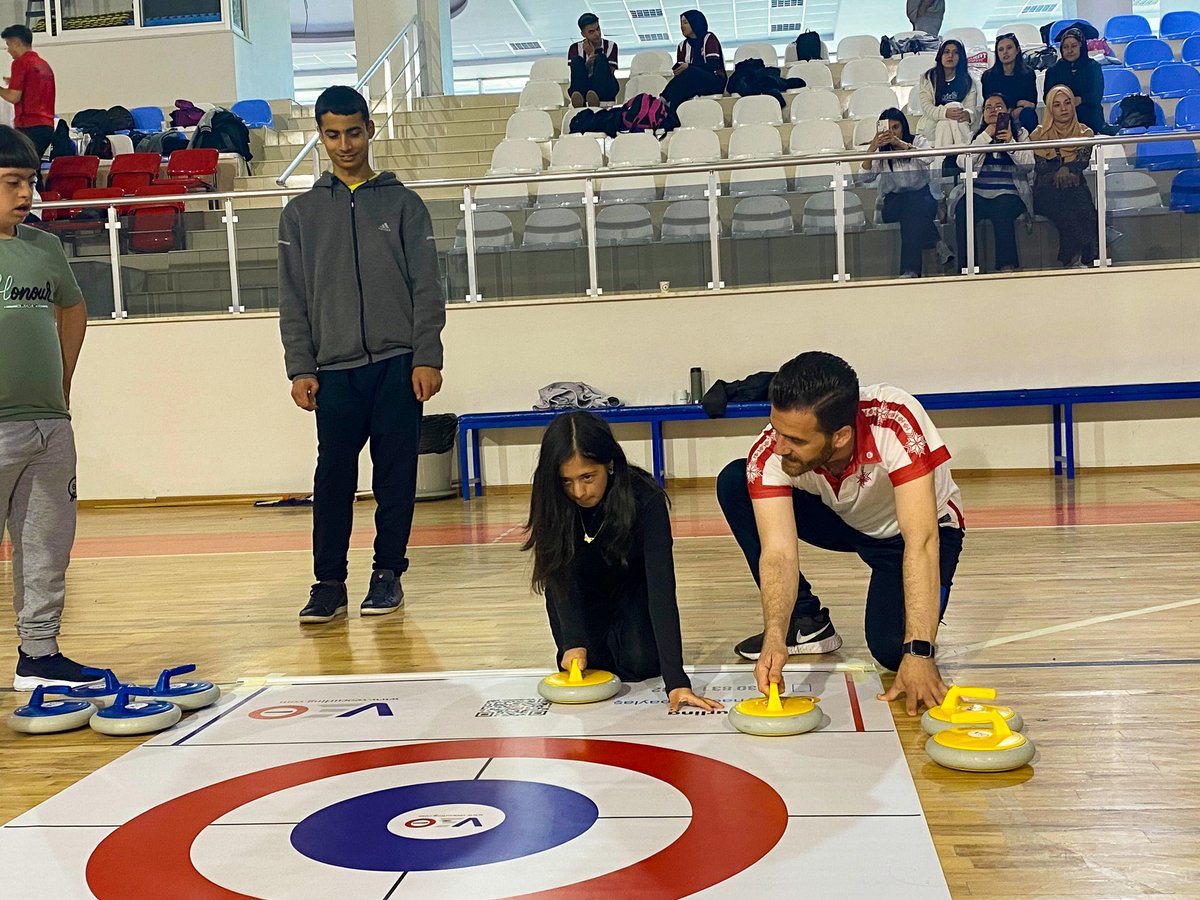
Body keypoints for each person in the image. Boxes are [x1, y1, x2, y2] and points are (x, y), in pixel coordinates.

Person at [277, 86, 446, 624]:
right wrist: (300, 366)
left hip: (398, 364)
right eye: (332, 134)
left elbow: (427, 287)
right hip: (334, 372)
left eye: (353, 132)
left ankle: (387, 573)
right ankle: (328, 582)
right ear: (320, 136)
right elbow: (292, 298)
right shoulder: (300, 214)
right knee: (333, 479)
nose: (344, 144)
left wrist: (428, 354)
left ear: (369, 130)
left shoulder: (404, 204)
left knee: (395, 474)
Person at [716, 352, 966, 714]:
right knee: (735, 481)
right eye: (776, 430)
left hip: (918, 533)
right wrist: (774, 636)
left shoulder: (894, 419)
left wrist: (919, 650)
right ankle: (806, 623)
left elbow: (921, 541)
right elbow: (779, 553)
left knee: (896, 652)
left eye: (796, 441)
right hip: (848, 521)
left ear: (841, 436)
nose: (778, 447)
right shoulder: (773, 450)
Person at [523, 412, 722, 713]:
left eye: (588, 477)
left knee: (641, 664)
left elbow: (661, 589)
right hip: (577, 589)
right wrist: (572, 640)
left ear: (611, 465)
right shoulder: (550, 493)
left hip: (633, 587)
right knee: (591, 664)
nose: (578, 492)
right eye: (567, 481)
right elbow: (557, 573)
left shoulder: (646, 498)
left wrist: (677, 681)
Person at [0, 125, 97, 690]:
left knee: (46, 545)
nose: (26, 194)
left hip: (48, 429)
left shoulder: (45, 247)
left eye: (29, 183)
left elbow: (75, 309)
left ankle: (39, 655)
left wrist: (62, 383)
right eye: (12, 183)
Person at [950, 94, 1034, 273]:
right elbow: (962, 163)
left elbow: (1028, 165)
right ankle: (967, 268)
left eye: (998, 106)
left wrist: (1009, 142)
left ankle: (1007, 267)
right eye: (988, 107)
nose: (993, 110)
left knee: (1001, 207)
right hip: (978, 193)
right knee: (963, 208)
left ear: (1008, 111)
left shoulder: (1020, 134)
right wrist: (985, 136)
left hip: (1010, 194)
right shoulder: (975, 136)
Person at [860, 107, 939, 278]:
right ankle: (935, 241)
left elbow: (929, 158)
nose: (892, 133)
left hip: (922, 198)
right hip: (893, 203)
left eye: (896, 127)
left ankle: (910, 271)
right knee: (910, 204)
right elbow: (865, 177)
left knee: (912, 208)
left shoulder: (917, 140)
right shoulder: (881, 151)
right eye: (888, 129)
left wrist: (901, 145)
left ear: (903, 126)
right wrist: (872, 147)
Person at [1031, 85, 1099, 268]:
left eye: (1067, 103)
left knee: (1073, 200)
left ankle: (1070, 257)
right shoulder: (1037, 135)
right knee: (1073, 201)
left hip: (1074, 187)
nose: (1063, 109)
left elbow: (1081, 161)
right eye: (1057, 105)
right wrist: (1064, 171)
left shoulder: (1085, 133)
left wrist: (1067, 170)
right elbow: (1041, 166)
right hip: (1046, 190)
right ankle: (1087, 253)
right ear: (1049, 109)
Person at [917, 40, 979, 176]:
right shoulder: (928, 78)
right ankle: (963, 161)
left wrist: (967, 114)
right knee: (948, 115)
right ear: (940, 56)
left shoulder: (968, 81)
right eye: (946, 52)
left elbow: (972, 110)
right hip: (934, 126)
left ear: (961, 57)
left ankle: (939, 170)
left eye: (955, 52)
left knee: (953, 111)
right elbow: (926, 108)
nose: (950, 56)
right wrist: (946, 112)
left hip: (959, 123)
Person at [0, 25, 55, 171]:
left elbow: (14, 97)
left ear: (16, 43)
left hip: (28, 125)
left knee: (24, 170)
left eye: (9, 45)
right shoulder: (43, 65)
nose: (8, 50)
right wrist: (12, 80)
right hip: (46, 125)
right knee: (33, 168)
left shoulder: (20, 62)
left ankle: (32, 194)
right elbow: (33, 86)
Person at [1043, 28, 1113, 136]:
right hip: (1062, 118)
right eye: (1066, 47)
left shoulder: (1093, 67)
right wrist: (1066, 103)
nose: (1069, 50)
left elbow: (1096, 95)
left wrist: (1080, 100)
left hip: (1089, 115)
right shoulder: (1053, 71)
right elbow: (1047, 98)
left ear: (1081, 47)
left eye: (1074, 46)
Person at [661, 10, 727, 109]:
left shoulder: (709, 38)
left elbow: (713, 65)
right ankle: (667, 112)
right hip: (693, 83)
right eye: (681, 23)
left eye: (685, 23)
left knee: (691, 72)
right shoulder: (682, 46)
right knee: (676, 100)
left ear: (695, 23)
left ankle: (662, 99)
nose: (682, 26)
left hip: (714, 81)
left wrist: (689, 66)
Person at [981, 33, 1038, 135]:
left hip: (1020, 116)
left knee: (1028, 114)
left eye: (1009, 48)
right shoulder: (988, 76)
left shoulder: (1028, 74)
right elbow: (989, 104)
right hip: (998, 116)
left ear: (1017, 50)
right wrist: (1013, 110)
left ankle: (1030, 146)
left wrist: (1020, 108)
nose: (1005, 52)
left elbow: (1031, 104)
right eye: (1001, 49)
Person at [567, 13, 618, 108]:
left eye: (598, 29)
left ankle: (596, 97)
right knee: (577, 60)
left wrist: (593, 55)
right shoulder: (574, 48)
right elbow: (575, 74)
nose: (597, 34)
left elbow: (609, 73)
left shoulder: (611, 46)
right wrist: (588, 64)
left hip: (605, 88)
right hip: (584, 86)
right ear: (583, 34)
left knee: (601, 58)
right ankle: (579, 98)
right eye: (591, 32)